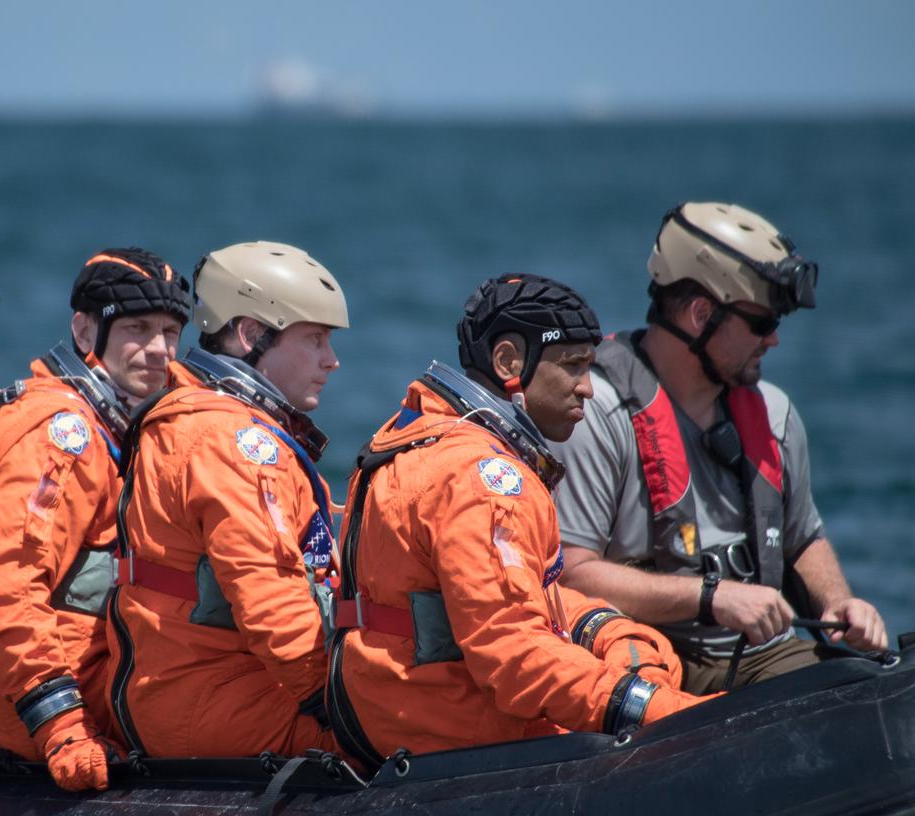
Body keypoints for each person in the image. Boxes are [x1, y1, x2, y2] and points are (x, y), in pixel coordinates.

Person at [326, 274, 710, 771]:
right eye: (573, 366)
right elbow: (515, 654)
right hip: (454, 735)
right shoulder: (484, 480)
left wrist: (606, 628)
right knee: (665, 700)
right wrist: (663, 712)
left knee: (648, 651)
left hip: (402, 713)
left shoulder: (419, 435)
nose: (588, 389)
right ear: (509, 363)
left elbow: (499, 600)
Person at [551, 202, 888, 694]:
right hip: (649, 665)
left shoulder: (775, 416)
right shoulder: (595, 414)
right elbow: (570, 579)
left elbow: (802, 538)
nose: (773, 340)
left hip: (763, 657)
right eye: (760, 322)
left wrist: (838, 603)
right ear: (700, 314)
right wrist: (711, 597)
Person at [0, 247, 191, 792]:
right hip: (37, 710)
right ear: (84, 330)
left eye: (170, 332)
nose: (159, 350)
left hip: (100, 680)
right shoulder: (61, 434)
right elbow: (7, 589)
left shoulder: (126, 421)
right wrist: (60, 725)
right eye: (138, 329)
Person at [106, 240, 348, 759]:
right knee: (411, 728)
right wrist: (342, 706)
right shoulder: (230, 442)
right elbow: (274, 608)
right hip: (216, 701)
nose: (332, 361)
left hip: (200, 687)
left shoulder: (202, 420)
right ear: (251, 334)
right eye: (315, 339)